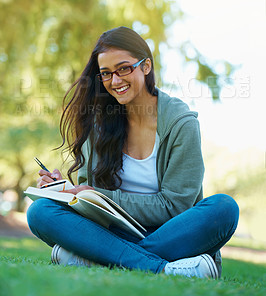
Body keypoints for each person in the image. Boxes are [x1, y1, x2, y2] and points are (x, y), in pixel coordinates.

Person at [27, 26, 239, 279]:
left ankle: (101, 259)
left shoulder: (180, 123)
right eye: (106, 74)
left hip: (171, 233)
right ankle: (164, 268)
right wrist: (62, 190)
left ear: (146, 66)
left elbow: (176, 206)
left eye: (124, 68)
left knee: (224, 208)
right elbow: (90, 203)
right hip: (112, 233)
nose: (115, 81)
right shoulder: (98, 126)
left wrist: (100, 195)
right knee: (40, 212)